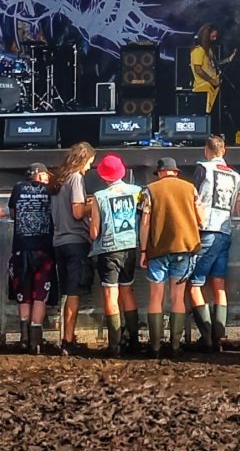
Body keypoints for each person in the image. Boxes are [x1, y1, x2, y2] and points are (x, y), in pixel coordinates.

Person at [141, 156, 204, 358]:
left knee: (155, 297)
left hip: (157, 250)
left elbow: (145, 223)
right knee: (178, 298)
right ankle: (175, 345)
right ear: (175, 172)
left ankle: (155, 346)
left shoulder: (149, 190)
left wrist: (143, 250)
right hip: (184, 248)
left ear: (160, 173)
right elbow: (201, 219)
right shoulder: (191, 189)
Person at [85, 152, 146, 357]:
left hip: (107, 250)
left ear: (103, 176)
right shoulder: (137, 191)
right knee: (127, 291)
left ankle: (115, 345)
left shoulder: (99, 197)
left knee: (111, 294)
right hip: (130, 247)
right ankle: (134, 340)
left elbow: (94, 232)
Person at [187, 137, 240, 351]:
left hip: (206, 229)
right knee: (218, 284)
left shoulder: (203, 168)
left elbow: (196, 198)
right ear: (224, 150)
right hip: (226, 230)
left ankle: (207, 336)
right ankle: (219, 335)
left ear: (206, 150)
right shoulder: (235, 175)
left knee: (194, 283)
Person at [50, 143, 98, 353]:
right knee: (74, 293)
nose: (88, 168)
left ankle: (65, 336)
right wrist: (94, 204)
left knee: (66, 293)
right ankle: (68, 340)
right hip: (76, 241)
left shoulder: (57, 180)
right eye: (89, 163)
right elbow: (78, 212)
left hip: (59, 242)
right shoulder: (76, 178)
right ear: (83, 159)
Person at [8, 163, 56, 353]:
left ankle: (24, 338)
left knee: (24, 295)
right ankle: (36, 341)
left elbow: (13, 214)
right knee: (40, 295)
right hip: (43, 249)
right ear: (39, 175)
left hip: (21, 249)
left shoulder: (18, 188)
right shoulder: (49, 191)